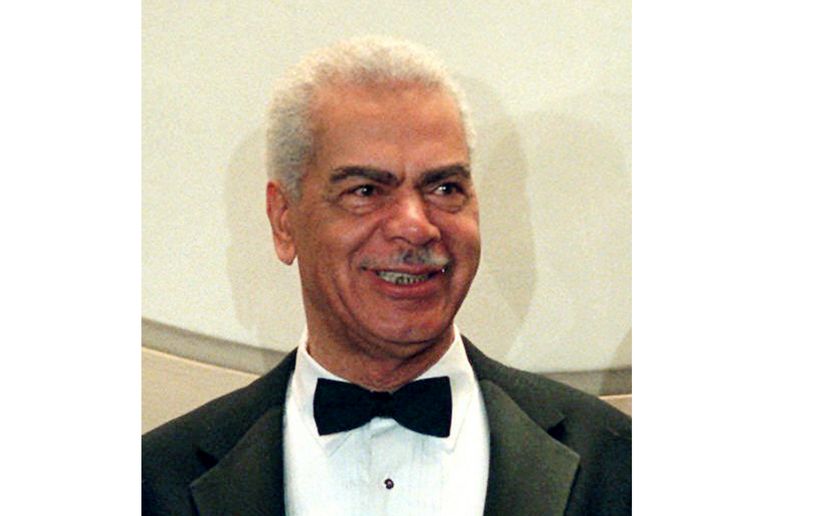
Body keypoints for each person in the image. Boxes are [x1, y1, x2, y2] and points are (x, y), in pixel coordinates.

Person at [142, 36, 631, 516]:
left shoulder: (621, 466)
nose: (415, 226)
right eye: (366, 190)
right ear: (284, 220)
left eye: (444, 187)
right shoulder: (153, 483)